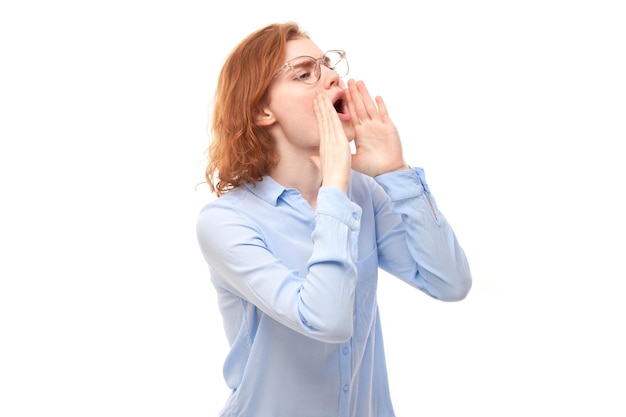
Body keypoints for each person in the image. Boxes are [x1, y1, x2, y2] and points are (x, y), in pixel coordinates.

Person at [196, 21, 472, 417]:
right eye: (306, 73)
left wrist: (395, 171)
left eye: (328, 65)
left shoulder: (364, 193)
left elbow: (451, 282)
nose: (331, 76)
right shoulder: (226, 222)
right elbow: (326, 320)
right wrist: (335, 187)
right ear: (262, 110)